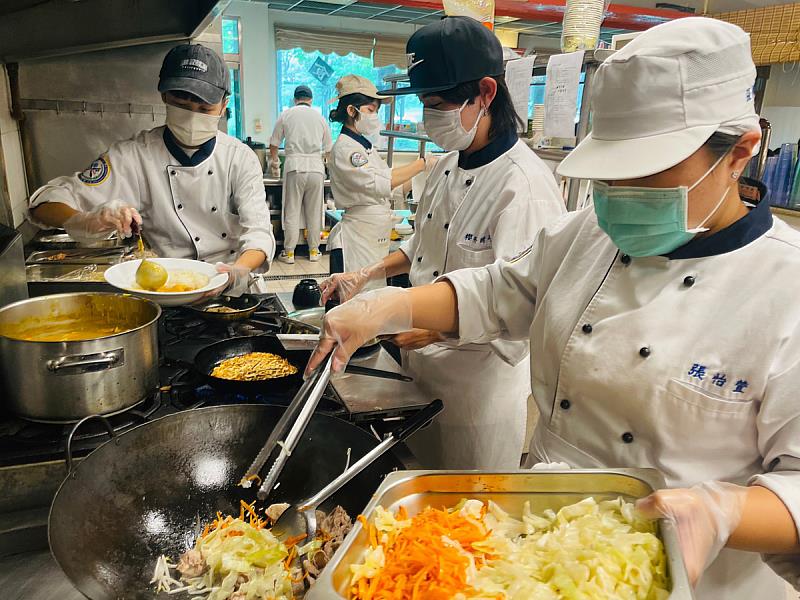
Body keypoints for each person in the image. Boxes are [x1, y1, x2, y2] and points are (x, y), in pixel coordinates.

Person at [309, 18, 800, 598]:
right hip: (542, 553)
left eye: (646, 173)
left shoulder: (784, 289)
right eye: (609, 175)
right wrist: (387, 307)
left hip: (684, 578)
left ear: (740, 153)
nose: (617, 196)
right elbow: (498, 290)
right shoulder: (589, 232)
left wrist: (720, 512)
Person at [320, 16, 565, 470]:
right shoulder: (449, 166)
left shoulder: (523, 186)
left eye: (437, 104)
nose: (431, 117)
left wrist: (435, 327)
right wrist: (367, 273)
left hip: (475, 394)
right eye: (424, 104)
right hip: (419, 374)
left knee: (467, 514)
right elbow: (421, 247)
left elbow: (525, 302)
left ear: (486, 93)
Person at [28, 43, 274, 295]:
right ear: (164, 97)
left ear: (223, 106)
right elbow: (44, 204)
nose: (192, 118)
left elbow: (258, 233)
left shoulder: (239, 157)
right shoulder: (134, 155)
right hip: (166, 291)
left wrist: (234, 273)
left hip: (234, 290)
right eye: (183, 106)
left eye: (204, 109)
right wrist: (86, 220)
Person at [326, 75, 429, 284]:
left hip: (372, 234)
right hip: (358, 237)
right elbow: (381, 183)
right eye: (370, 111)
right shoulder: (347, 148)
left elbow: (387, 185)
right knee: (359, 295)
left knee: (372, 294)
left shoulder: (364, 146)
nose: (375, 117)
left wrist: (421, 176)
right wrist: (422, 164)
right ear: (351, 110)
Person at [269, 85, 333, 264]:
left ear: (295, 98)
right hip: (316, 168)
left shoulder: (286, 115)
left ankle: (289, 253)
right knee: (314, 211)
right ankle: (314, 250)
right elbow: (329, 149)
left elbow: (274, 143)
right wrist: (328, 166)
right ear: (310, 99)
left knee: (292, 210)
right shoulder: (320, 117)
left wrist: (275, 162)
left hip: (294, 167)